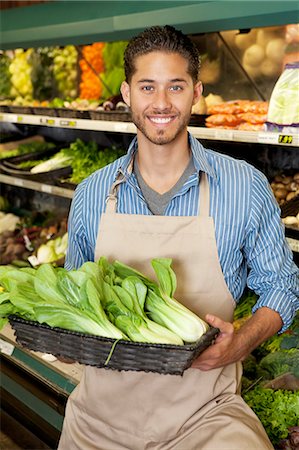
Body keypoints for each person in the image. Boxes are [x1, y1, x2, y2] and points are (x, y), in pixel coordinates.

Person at [58, 25, 299, 450]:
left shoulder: (243, 186)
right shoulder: (92, 194)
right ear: (127, 93)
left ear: (197, 92)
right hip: (100, 418)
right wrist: (62, 336)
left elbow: (282, 286)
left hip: (205, 413)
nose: (161, 103)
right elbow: (75, 295)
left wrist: (239, 344)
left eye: (176, 86)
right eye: (147, 87)